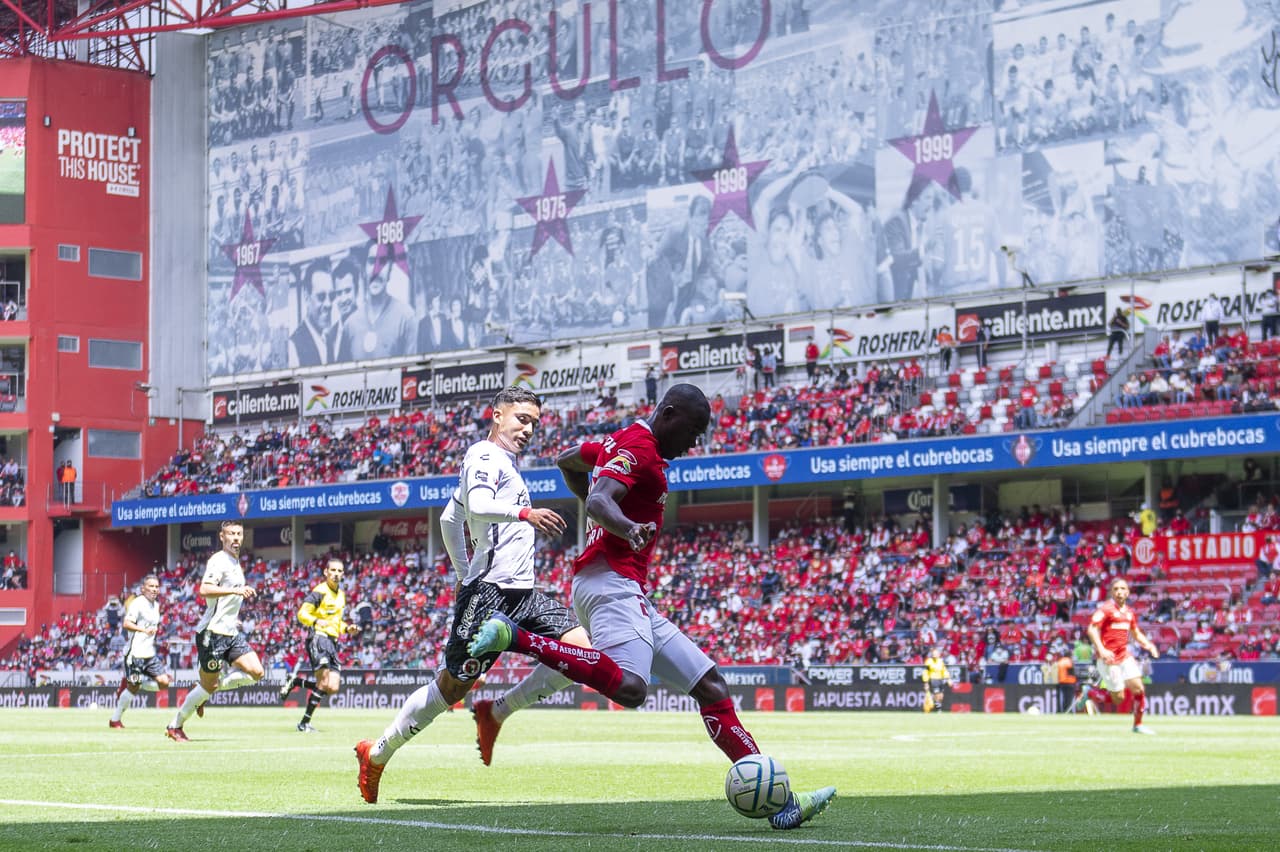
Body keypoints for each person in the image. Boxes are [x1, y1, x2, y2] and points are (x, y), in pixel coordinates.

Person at [467, 383, 835, 830]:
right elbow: (603, 499)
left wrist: (599, 511)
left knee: (711, 685)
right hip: (610, 583)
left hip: (622, 587)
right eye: (694, 430)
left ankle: (781, 803)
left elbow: (567, 459)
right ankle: (516, 636)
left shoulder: (623, 443)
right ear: (670, 413)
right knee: (631, 687)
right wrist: (622, 525)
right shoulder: (639, 447)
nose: (695, 442)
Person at [354, 387, 586, 803]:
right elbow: (476, 506)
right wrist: (522, 516)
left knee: (582, 656)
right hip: (490, 594)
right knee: (452, 687)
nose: (528, 428)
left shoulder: (506, 466)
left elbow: (449, 517)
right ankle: (377, 752)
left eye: (534, 422)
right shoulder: (483, 456)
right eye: (520, 418)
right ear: (496, 415)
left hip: (524, 594)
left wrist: (462, 570)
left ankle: (496, 712)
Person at [165, 520, 266, 742]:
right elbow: (205, 589)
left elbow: (225, 602)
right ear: (222, 537)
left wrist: (233, 618)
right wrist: (236, 590)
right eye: (231, 534)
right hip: (212, 634)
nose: (236, 538)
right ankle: (175, 725)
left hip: (230, 632)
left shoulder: (235, 563)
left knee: (257, 672)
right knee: (208, 685)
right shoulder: (218, 560)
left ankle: (202, 691)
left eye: (239, 533)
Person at [280, 558, 361, 732]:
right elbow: (302, 613)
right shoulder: (320, 591)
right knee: (323, 682)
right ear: (326, 572)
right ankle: (303, 723)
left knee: (332, 687)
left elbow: (337, 622)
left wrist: (348, 628)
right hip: (319, 638)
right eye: (333, 570)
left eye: (340, 571)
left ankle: (295, 682)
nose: (336, 574)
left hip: (332, 642)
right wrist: (316, 620)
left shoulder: (341, 596)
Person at [1079, 578, 1160, 734]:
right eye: (1116, 589)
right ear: (1111, 592)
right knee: (1119, 698)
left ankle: (1138, 725)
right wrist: (1101, 650)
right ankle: (1090, 692)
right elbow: (1091, 629)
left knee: (1138, 689)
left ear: (1128, 592)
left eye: (1123, 588)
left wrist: (1148, 645)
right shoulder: (1106, 609)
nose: (1119, 592)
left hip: (1124, 656)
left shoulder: (1129, 613)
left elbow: (1135, 633)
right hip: (1108, 659)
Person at [109, 575, 172, 728]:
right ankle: (115, 720)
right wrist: (143, 630)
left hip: (149, 654)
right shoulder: (137, 603)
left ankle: (129, 682)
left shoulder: (156, 606)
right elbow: (126, 623)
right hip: (134, 653)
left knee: (164, 683)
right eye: (151, 586)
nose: (154, 589)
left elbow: (151, 629)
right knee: (133, 688)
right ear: (143, 588)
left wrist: (159, 640)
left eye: (156, 587)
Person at [288, 258, 339, 367]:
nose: (328, 304)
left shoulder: (327, 340)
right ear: (306, 297)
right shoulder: (293, 347)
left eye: (331, 296)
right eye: (321, 297)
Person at [922, 647, 952, 712]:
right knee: (937, 694)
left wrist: (948, 679)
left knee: (941, 696)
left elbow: (944, 671)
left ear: (939, 655)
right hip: (933, 680)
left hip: (940, 680)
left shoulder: (941, 661)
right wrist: (926, 682)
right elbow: (926, 672)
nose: (934, 656)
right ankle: (939, 709)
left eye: (936, 654)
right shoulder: (929, 662)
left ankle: (937, 705)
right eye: (933, 654)